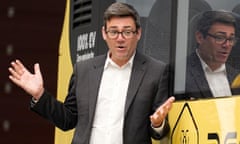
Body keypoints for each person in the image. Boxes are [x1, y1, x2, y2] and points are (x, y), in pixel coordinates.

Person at [8, 2, 175, 144]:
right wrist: (40, 95)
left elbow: (158, 131)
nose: (120, 38)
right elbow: (68, 120)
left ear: (138, 33)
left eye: (127, 31)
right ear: (104, 33)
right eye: (114, 31)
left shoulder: (156, 71)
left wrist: (157, 123)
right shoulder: (84, 70)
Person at [185, 10, 240, 99]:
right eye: (220, 37)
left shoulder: (237, 76)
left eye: (231, 39)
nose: (227, 45)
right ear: (200, 37)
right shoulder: (179, 74)